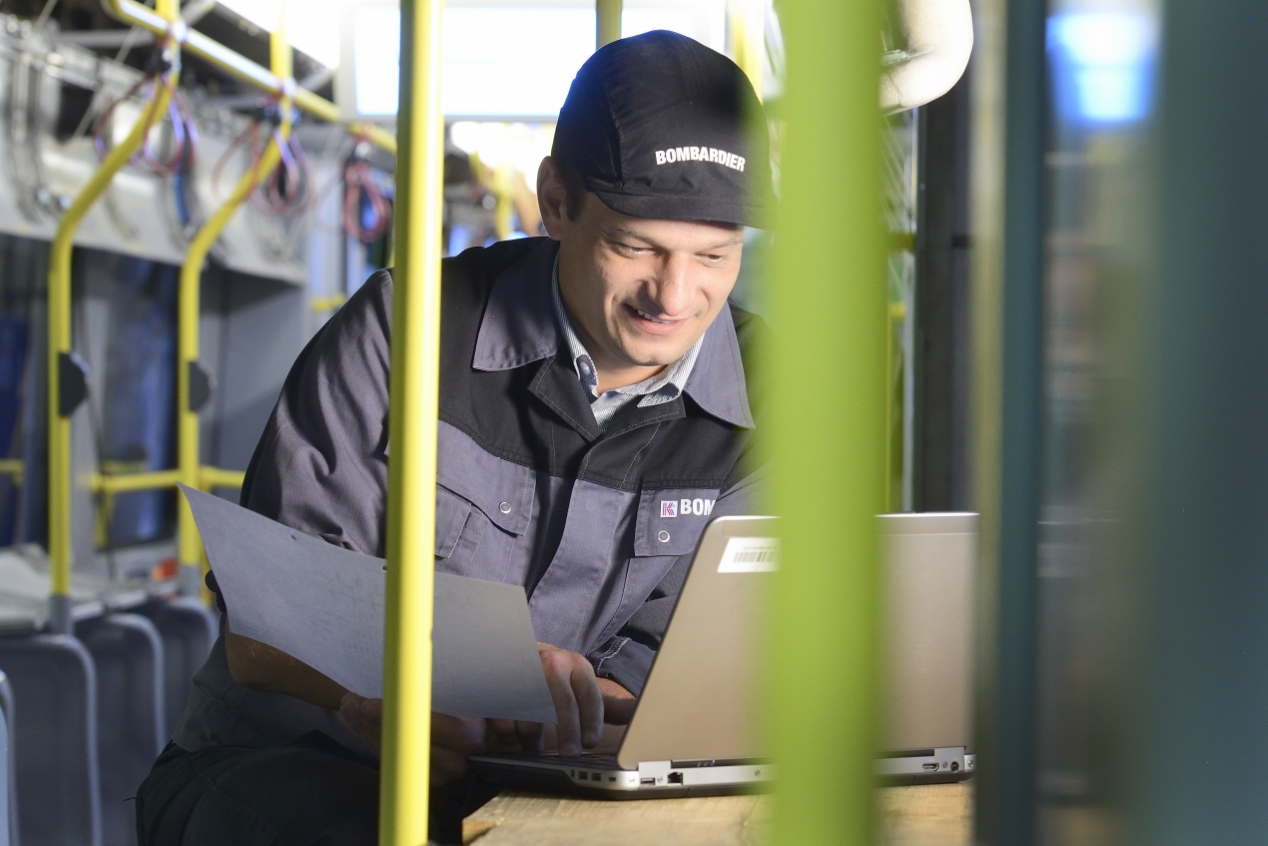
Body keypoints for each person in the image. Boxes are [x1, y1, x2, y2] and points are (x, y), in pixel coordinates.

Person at [136, 29, 773, 846]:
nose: (674, 295)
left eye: (714, 255)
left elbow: (693, 680)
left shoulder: (774, 398)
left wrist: (554, 714)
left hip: (559, 793)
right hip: (299, 764)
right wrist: (422, 686)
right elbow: (267, 630)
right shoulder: (408, 331)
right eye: (636, 245)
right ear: (555, 201)